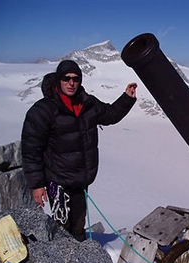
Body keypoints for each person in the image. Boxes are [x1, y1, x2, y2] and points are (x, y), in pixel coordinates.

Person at [21, 60, 137, 241]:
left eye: (75, 79)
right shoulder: (43, 110)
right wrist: (37, 185)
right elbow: (31, 150)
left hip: (80, 180)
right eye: (66, 78)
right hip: (58, 182)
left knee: (78, 226)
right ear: (58, 80)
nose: (71, 83)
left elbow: (109, 115)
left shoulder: (87, 103)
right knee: (62, 228)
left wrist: (127, 98)